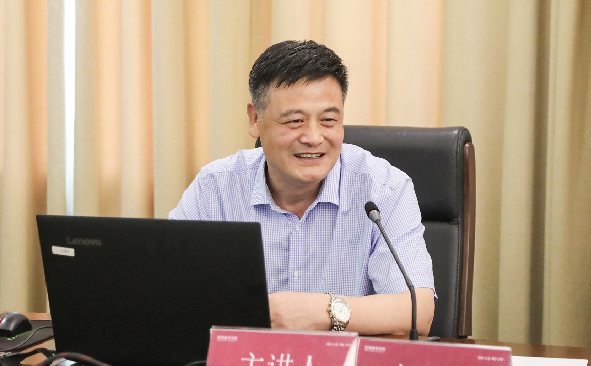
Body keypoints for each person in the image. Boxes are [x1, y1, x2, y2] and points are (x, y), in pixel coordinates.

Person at [169, 40, 435, 336]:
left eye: (328, 120)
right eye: (295, 121)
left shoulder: (384, 188)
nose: (313, 137)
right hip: (246, 360)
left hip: (347, 363)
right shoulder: (215, 188)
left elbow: (417, 312)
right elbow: (168, 293)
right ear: (255, 119)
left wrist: (324, 312)